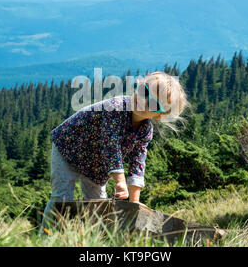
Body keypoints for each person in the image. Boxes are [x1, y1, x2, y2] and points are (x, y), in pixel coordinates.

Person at [40, 71, 188, 232]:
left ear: (159, 115)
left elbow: (138, 163)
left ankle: (91, 239)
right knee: (61, 197)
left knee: (98, 204)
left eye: (153, 103)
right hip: (69, 147)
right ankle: (47, 236)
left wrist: (134, 202)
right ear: (139, 85)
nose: (143, 100)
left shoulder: (145, 131)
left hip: (96, 163)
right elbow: (111, 146)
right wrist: (120, 182)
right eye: (144, 91)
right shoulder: (116, 108)